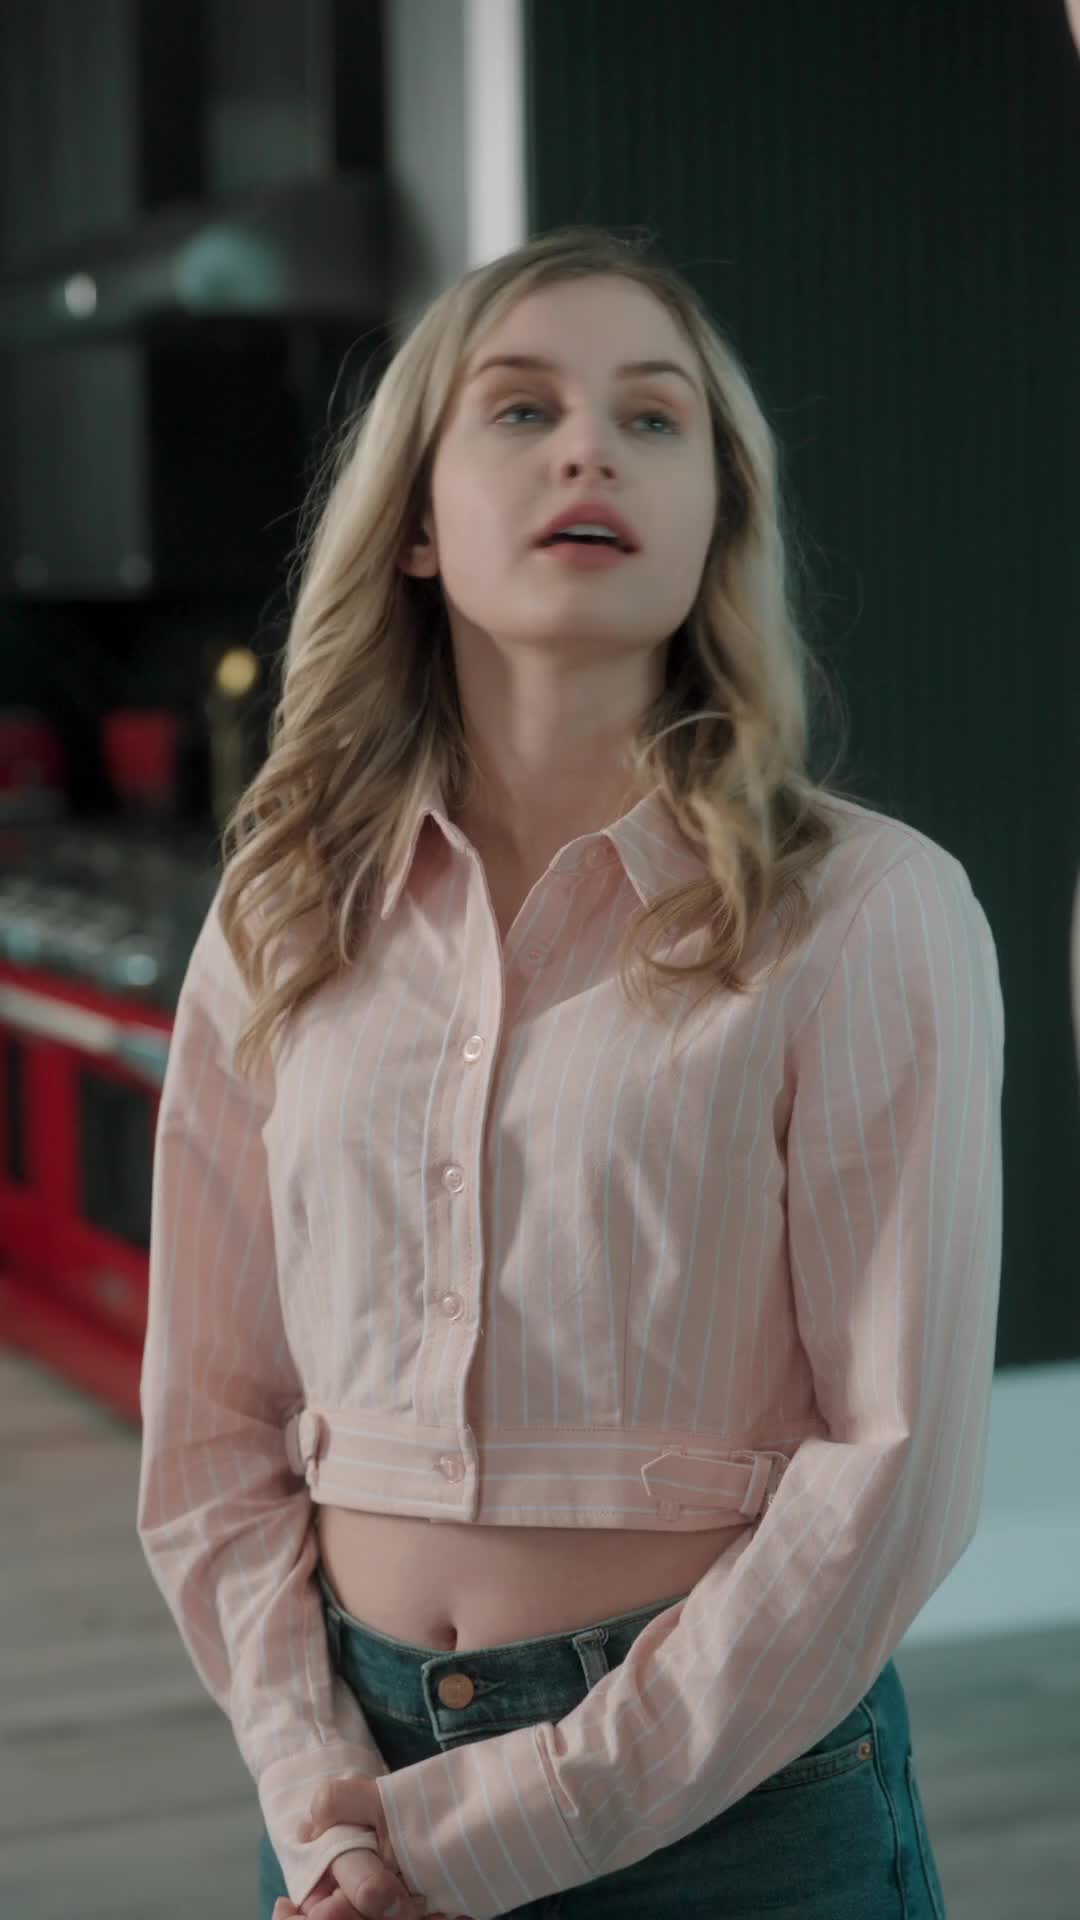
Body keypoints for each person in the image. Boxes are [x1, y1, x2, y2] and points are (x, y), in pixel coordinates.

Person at [136, 227, 1004, 1920]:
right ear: (413, 521)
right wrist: (323, 1808)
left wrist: (505, 1828)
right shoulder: (283, 913)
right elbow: (210, 1435)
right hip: (345, 1800)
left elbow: (895, 1472)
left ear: (714, 521)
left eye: (654, 418)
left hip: (739, 1818)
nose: (591, 448)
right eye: (522, 409)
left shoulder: (868, 914)